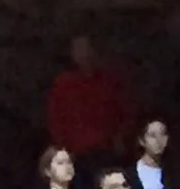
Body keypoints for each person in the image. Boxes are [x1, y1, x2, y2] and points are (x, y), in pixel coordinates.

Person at [46, 35, 134, 163]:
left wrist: (119, 139)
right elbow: (55, 118)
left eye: (86, 48)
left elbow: (125, 111)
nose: (83, 54)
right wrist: (64, 148)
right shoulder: (63, 84)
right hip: (76, 154)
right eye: (78, 49)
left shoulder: (109, 81)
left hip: (106, 150)